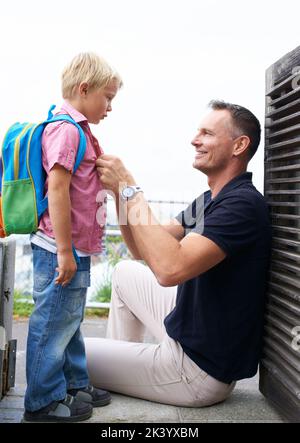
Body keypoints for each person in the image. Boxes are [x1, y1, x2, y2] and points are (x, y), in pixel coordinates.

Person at [85, 100, 272, 407]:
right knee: (124, 273)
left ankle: (121, 370)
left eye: (207, 133)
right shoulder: (211, 199)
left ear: (239, 145)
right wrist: (121, 195)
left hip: (195, 371)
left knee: (69, 352)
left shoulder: (242, 206)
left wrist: (131, 188)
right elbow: (143, 249)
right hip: (187, 329)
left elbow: (169, 269)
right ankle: (123, 367)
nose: (194, 140)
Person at [23, 53, 122, 422]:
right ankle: (42, 402)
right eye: (107, 97)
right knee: (51, 323)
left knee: (69, 319)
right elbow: (59, 190)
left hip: (73, 248)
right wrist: (64, 251)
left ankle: (73, 383)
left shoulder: (80, 130)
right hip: (58, 248)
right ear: (84, 89)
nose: (110, 106)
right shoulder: (66, 129)